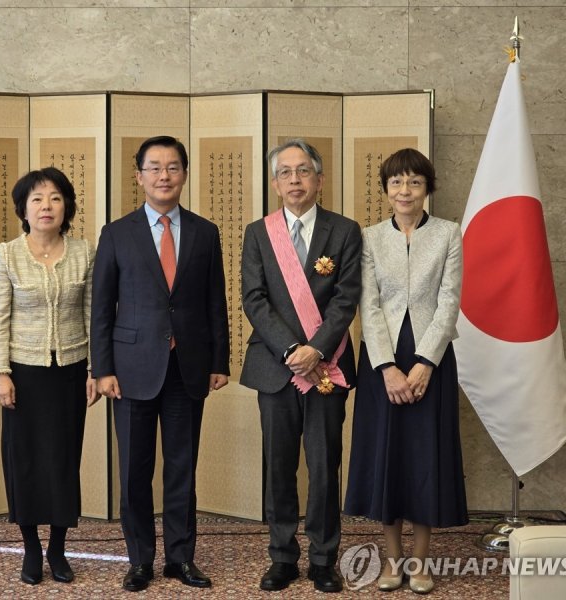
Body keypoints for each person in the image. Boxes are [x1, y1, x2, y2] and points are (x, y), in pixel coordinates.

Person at [91, 135, 230, 593]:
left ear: (184, 174)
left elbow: (216, 303)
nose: (164, 176)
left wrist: (219, 360)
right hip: (130, 371)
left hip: (188, 367)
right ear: (139, 177)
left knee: (182, 468)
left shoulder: (205, 232)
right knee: (134, 470)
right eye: (154, 168)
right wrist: (102, 368)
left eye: (172, 167)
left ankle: (181, 558)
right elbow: (101, 306)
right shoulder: (117, 232)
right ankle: (139, 560)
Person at [344, 148, 467, 594]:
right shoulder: (370, 237)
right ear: (385, 189)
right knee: (387, 457)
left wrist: (425, 363)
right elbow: (368, 305)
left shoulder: (450, 234)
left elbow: (450, 301)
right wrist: (387, 369)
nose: (405, 191)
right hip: (382, 361)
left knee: (425, 458)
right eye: (396, 182)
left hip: (431, 361)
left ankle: (420, 562)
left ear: (427, 188)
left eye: (414, 182)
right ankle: (391, 561)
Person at [241, 139, 361, 593]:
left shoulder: (345, 231)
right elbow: (254, 298)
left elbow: (347, 297)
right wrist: (294, 349)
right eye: (286, 172)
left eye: (304, 171)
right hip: (275, 368)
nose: (295, 179)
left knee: (325, 462)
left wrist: (317, 349)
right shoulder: (258, 232)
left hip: (327, 368)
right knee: (278, 464)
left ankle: (324, 558)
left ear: (320, 179)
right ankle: (282, 556)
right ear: (275, 183)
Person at [0, 167, 98, 586]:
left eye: (54, 197)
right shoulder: (7, 254)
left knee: (63, 459)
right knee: (25, 461)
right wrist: (1, 373)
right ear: (24, 209)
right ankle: (31, 547)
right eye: (36, 199)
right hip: (23, 376)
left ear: (66, 205)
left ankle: (58, 548)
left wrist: (94, 369)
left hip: (70, 372)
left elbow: (93, 314)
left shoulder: (85, 252)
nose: (46, 206)